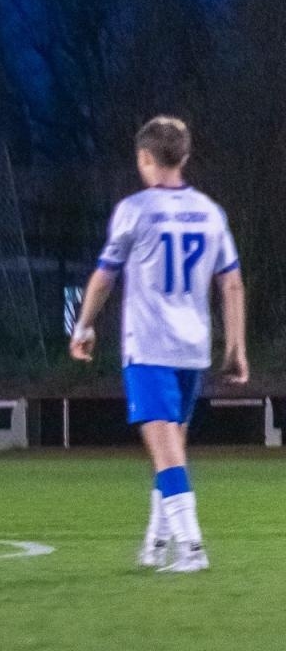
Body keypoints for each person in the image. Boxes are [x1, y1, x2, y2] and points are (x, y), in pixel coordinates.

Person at [69, 115, 247, 573]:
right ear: (184, 156)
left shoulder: (135, 210)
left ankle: (192, 549)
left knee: (166, 450)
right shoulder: (210, 212)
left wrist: (83, 326)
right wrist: (236, 347)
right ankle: (156, 543)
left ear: (145, 157)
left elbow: (104, 276)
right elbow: (231, 283)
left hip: (149, 346)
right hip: (193, 348)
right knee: (171, 448)